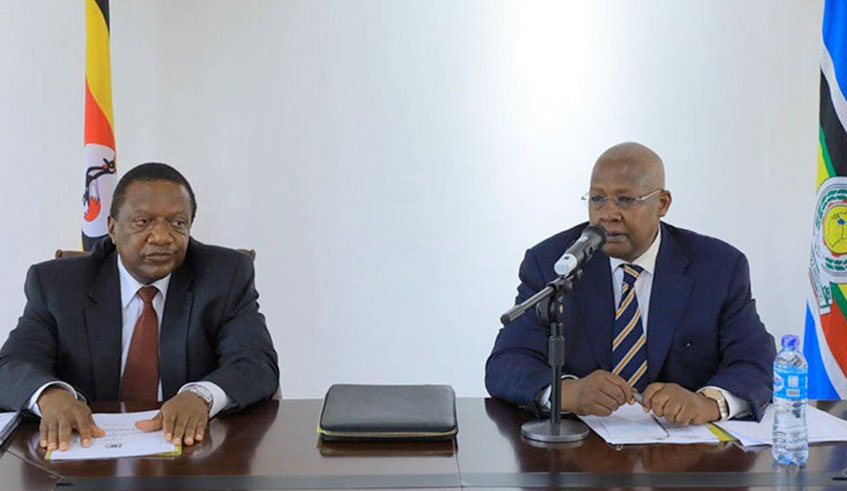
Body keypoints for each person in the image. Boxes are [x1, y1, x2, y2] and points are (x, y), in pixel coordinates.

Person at [485, 142, 775, 425]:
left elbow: (755, 360)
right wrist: (568, 392)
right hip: (579, 455)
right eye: (597, 198)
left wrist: (709, 403)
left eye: (625, 200)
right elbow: (507, 361)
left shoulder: (718, 267)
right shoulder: (552, 262)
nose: (608, 214)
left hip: (684, 456)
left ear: (662, 203)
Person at [0, 163, 279, 451]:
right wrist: (51, 395)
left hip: (191, 454)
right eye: (143, 221)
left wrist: (201, 396)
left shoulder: (225, 275)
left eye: (178, 223)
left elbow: (255, 363)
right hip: (85, 451)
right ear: (112, 227)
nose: (162, 237)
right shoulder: (57, 284)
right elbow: (10, 365)